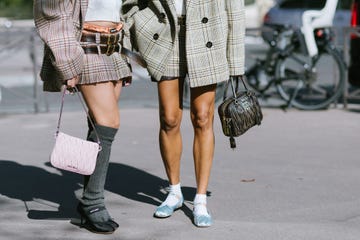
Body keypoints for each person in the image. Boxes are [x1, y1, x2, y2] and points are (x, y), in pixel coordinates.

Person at [122, 0, 245, 227]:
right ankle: (175, 191)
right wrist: (137, 26)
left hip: (207, 34)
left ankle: (199, 200)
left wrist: (236, 62)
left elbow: (234, 7)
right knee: (169, 118)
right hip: (167, 33)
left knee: (202, 117)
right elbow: (131, 4)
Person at [33, 0, 132, 234]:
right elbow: (52, 14)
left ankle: (89, 202)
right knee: (109, 122)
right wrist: (67, 61)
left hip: (114, 47)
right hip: (85, 47)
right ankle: (93, 203)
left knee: (99, 127)